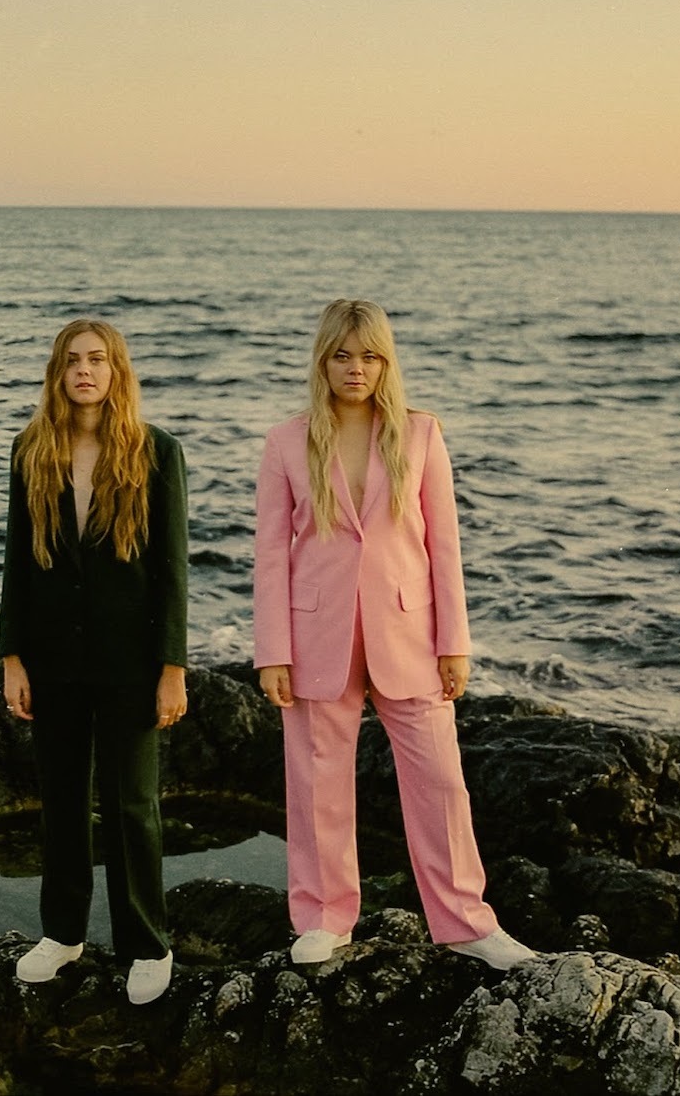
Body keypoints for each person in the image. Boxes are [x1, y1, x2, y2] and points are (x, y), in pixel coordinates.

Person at [253, 299, 536, 969]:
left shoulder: (421, 433)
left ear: (387, 362)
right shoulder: (286, 442)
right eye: (344, 355)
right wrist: (273, 652)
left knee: (440, 780)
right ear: (324, 360)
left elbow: (445, 546)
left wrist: (454, 642)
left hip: (409, 631)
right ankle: (323, 915)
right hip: (315, 634)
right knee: (318, 779)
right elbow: (269, 556)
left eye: (371, 355)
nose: (357, 368)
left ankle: (466, 918)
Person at [0, 319, 188, 1005]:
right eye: (73, 360)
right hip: (51, 659)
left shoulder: (158, 452)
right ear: (59, 372)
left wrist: (172, 667)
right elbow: (17, 562)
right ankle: (64, 931)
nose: (85, 370)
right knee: (63, 801)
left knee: (133, 804)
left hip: (130, 661)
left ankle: (147, 941)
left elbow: (172, 572)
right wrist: (12, 656)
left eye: (98, 359)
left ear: (116, 371)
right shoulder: (31, 450)